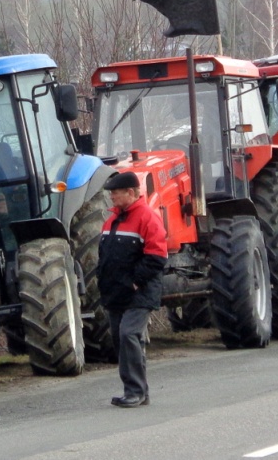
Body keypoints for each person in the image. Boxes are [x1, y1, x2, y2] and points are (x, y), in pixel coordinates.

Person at [97, 171, 167, 408]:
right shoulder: (112, 220)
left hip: (139, 292)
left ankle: (136, 391)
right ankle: (135, 391)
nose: (111, 198)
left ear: (130, 192)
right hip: (116, 293)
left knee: (129, 335)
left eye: (115, 193)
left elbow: (157, 256)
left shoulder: (147, 217)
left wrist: (135, 281)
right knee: (120, 339)